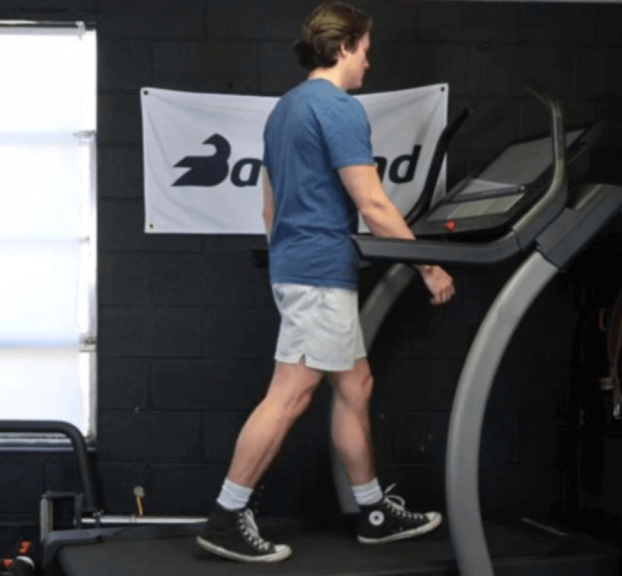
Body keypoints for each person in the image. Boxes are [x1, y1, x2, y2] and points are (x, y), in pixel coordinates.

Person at [196, 0, 455, 564]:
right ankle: (226, 514)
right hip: (317, 274)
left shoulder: (284, 110)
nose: (369, 63)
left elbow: (268, 206)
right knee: (292, 393)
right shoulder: (337, 108)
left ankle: (373, 511)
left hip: (300, 267)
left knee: (354, 384)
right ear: (343, 47)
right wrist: (429, 266)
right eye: (365, 50)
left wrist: (292, 254)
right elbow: (373, 202)